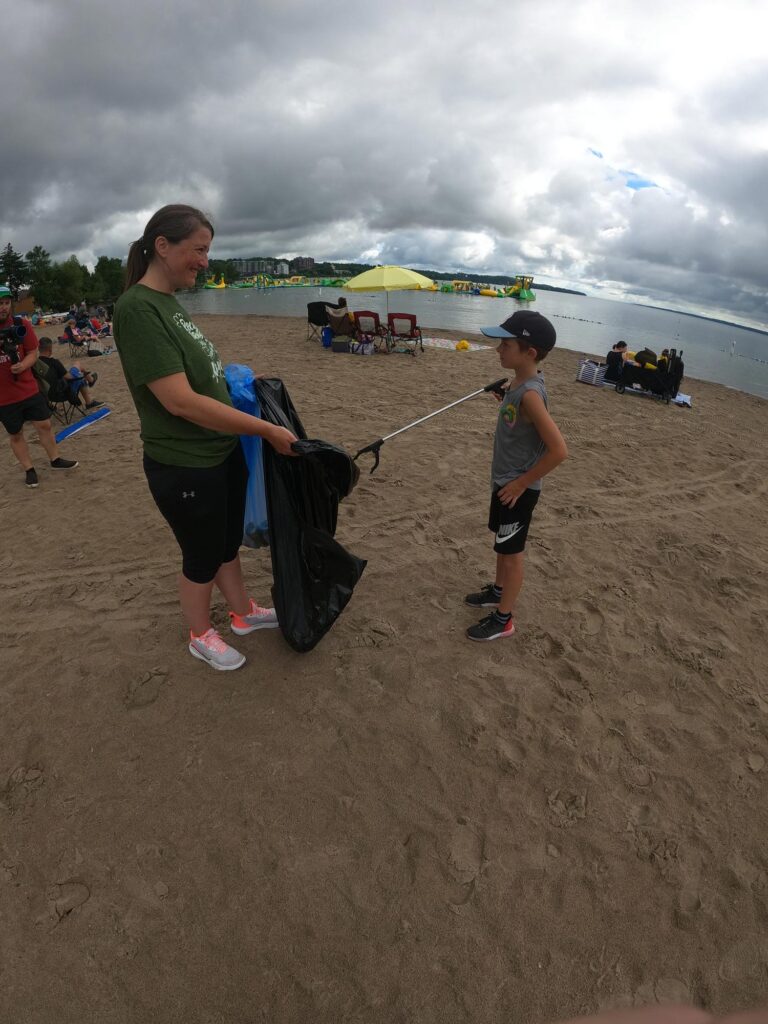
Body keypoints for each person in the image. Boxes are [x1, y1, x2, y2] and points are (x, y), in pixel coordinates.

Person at [113, 204, 299, 672]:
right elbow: (179, 401)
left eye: (207, 251)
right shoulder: (137, 309)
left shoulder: (169, 303)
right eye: (199, 250)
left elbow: (198, 377)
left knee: (225, 545)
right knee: (200, 555)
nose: (205, 261)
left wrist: (238, 383)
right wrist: (265, 429)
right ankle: (200, 634)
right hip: (184, 463)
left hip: (220, 451)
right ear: (162, 246)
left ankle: (242, 613)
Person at [464, 310, 567, 641]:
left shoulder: (531, 395)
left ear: (530, 352)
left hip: (517, 489)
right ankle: (498, 591)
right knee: (501, 544)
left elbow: (559, 450)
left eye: (506, 345)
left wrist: (522, 483)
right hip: (505, 482)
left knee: (512, 554)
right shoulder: (518, 385)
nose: (499, 350)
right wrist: (506, 396)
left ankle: (504, 619)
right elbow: (518, 417)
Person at [0, 285, 78, 488]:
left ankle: (55, 459)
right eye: (0, 303)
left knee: (44, 425)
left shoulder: (21, 324)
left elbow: (33, 353)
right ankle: (29, 470)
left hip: (27, 388)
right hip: (4, 396)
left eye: (6, 303)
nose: (3, 307)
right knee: (16, 434)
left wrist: (23, 365)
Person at [37, 337, 104, 409]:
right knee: (79, 375)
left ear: (39, 348)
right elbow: (69, 377)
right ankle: (89, 401)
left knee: (77, 367)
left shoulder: (35, 365)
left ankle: (90, 380)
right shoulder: (54, 362)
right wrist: (78, 374)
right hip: (61, 393)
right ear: (50, 349)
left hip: (47, 395)